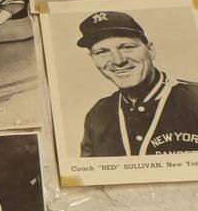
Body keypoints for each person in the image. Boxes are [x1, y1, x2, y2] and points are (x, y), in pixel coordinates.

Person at [77, 11, 198, 156]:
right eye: (102, 52)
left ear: (150, 50)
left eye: (127, 47)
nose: (118, 61)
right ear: (92, 58)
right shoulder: (98, 114)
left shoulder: (194, 98)